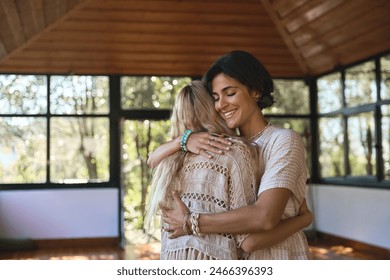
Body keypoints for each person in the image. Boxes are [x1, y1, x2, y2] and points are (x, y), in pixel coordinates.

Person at [150, 50, 312, 259]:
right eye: (216, 98)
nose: (221, 104)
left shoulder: (282, 141)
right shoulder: (223, 149)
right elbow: (152, 159)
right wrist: (184, 140)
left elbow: (265, 217)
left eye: (230, 93)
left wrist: (191, 222)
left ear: (255, 91)